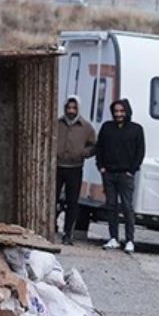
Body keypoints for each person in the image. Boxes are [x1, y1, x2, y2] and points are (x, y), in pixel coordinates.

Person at [95, 98, 145, 254]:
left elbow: (140, 152)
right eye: (116, 111)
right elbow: (99, 148)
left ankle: (130, 240)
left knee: (127, 207)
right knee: (111, 206)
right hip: (108, 173)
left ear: (127, 111)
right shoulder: (107, 127)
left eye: (122, 111)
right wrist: (101, 166)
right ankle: (113, 238)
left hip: (126, 175)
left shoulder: (136, 129)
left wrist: (132, 170)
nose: (119, 114)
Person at [54, 96, 96, 244]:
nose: (71, 111)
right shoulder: (56, 123)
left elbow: (93, 145)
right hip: (57, 166)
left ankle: (68, 234)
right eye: (69, 108)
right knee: (53, 199)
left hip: (75, 168)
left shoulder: (86, 127)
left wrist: (84, 153)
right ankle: (51, 228)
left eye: (74, 108)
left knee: (72, 202)